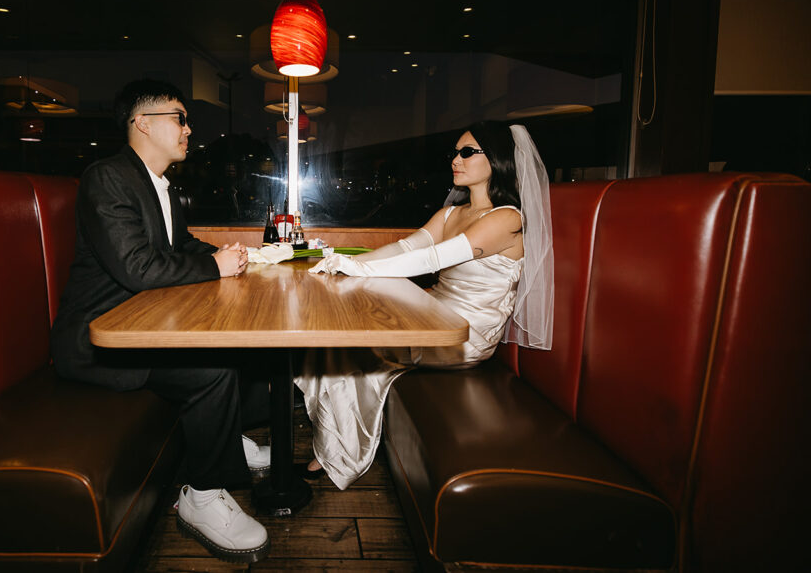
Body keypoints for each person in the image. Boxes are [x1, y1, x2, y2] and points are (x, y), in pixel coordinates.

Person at [50, 79, 271, 563]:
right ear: (142, 123)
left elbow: (180, 246)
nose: (189, 129)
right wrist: (215, 268)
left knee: (237, 345)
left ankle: (225, 443)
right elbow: (136, 266)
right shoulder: (106, 178)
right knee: (210, 370)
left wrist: (228, 255)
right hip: (97, 340)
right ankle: (202, 496)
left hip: (143, 323)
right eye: (180, 117)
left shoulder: (160, 185)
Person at [296, 121, 554, 490]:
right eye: (455, 152)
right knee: (332, 340)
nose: (456, 159)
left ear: (495, 161)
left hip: (465, 334)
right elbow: (406, 248)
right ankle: (333, 446)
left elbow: (432, 260)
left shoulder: (507, 218)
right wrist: (345, 262)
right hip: (432, 313)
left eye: (467, 152)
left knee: (347, 347)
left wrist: (355, 268)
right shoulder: (451, 213)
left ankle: (339, 455)